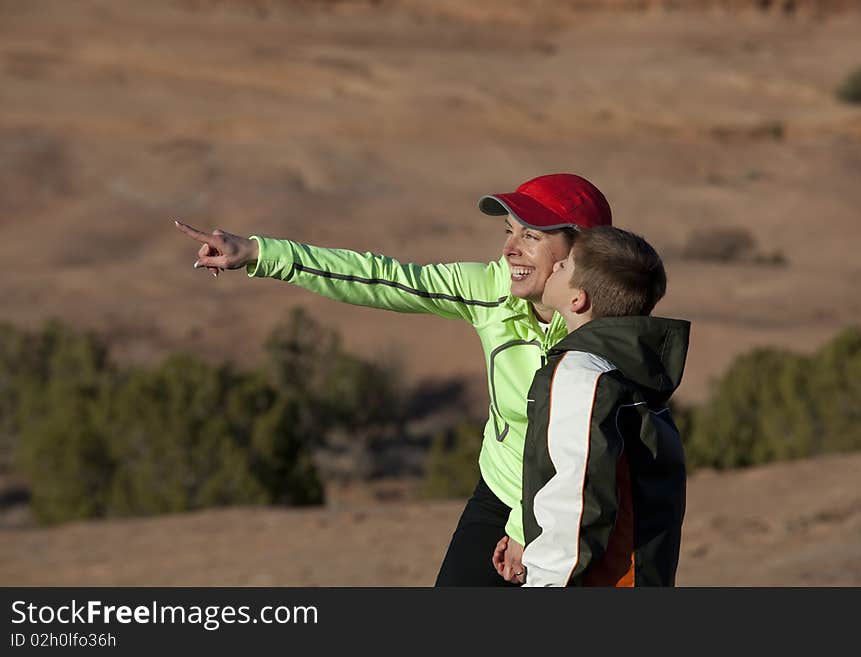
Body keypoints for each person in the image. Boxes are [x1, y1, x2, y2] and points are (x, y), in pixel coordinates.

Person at [174, 173, 613, 586]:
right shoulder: (489, 290)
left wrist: (525, 529)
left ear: (581, 253)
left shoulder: (611, 326)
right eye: (508, 232)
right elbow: (384, 278)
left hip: (573, 508)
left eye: (531, 236)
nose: (510, 249)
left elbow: (583, 454)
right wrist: (258, 253)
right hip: (500, 494)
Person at [491, 226, 689, 586]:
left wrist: (546, 581)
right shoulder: (629, 370)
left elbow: (576, 501)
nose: (553, 268)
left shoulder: (581, 375)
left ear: (578, 299)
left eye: (564, 266)